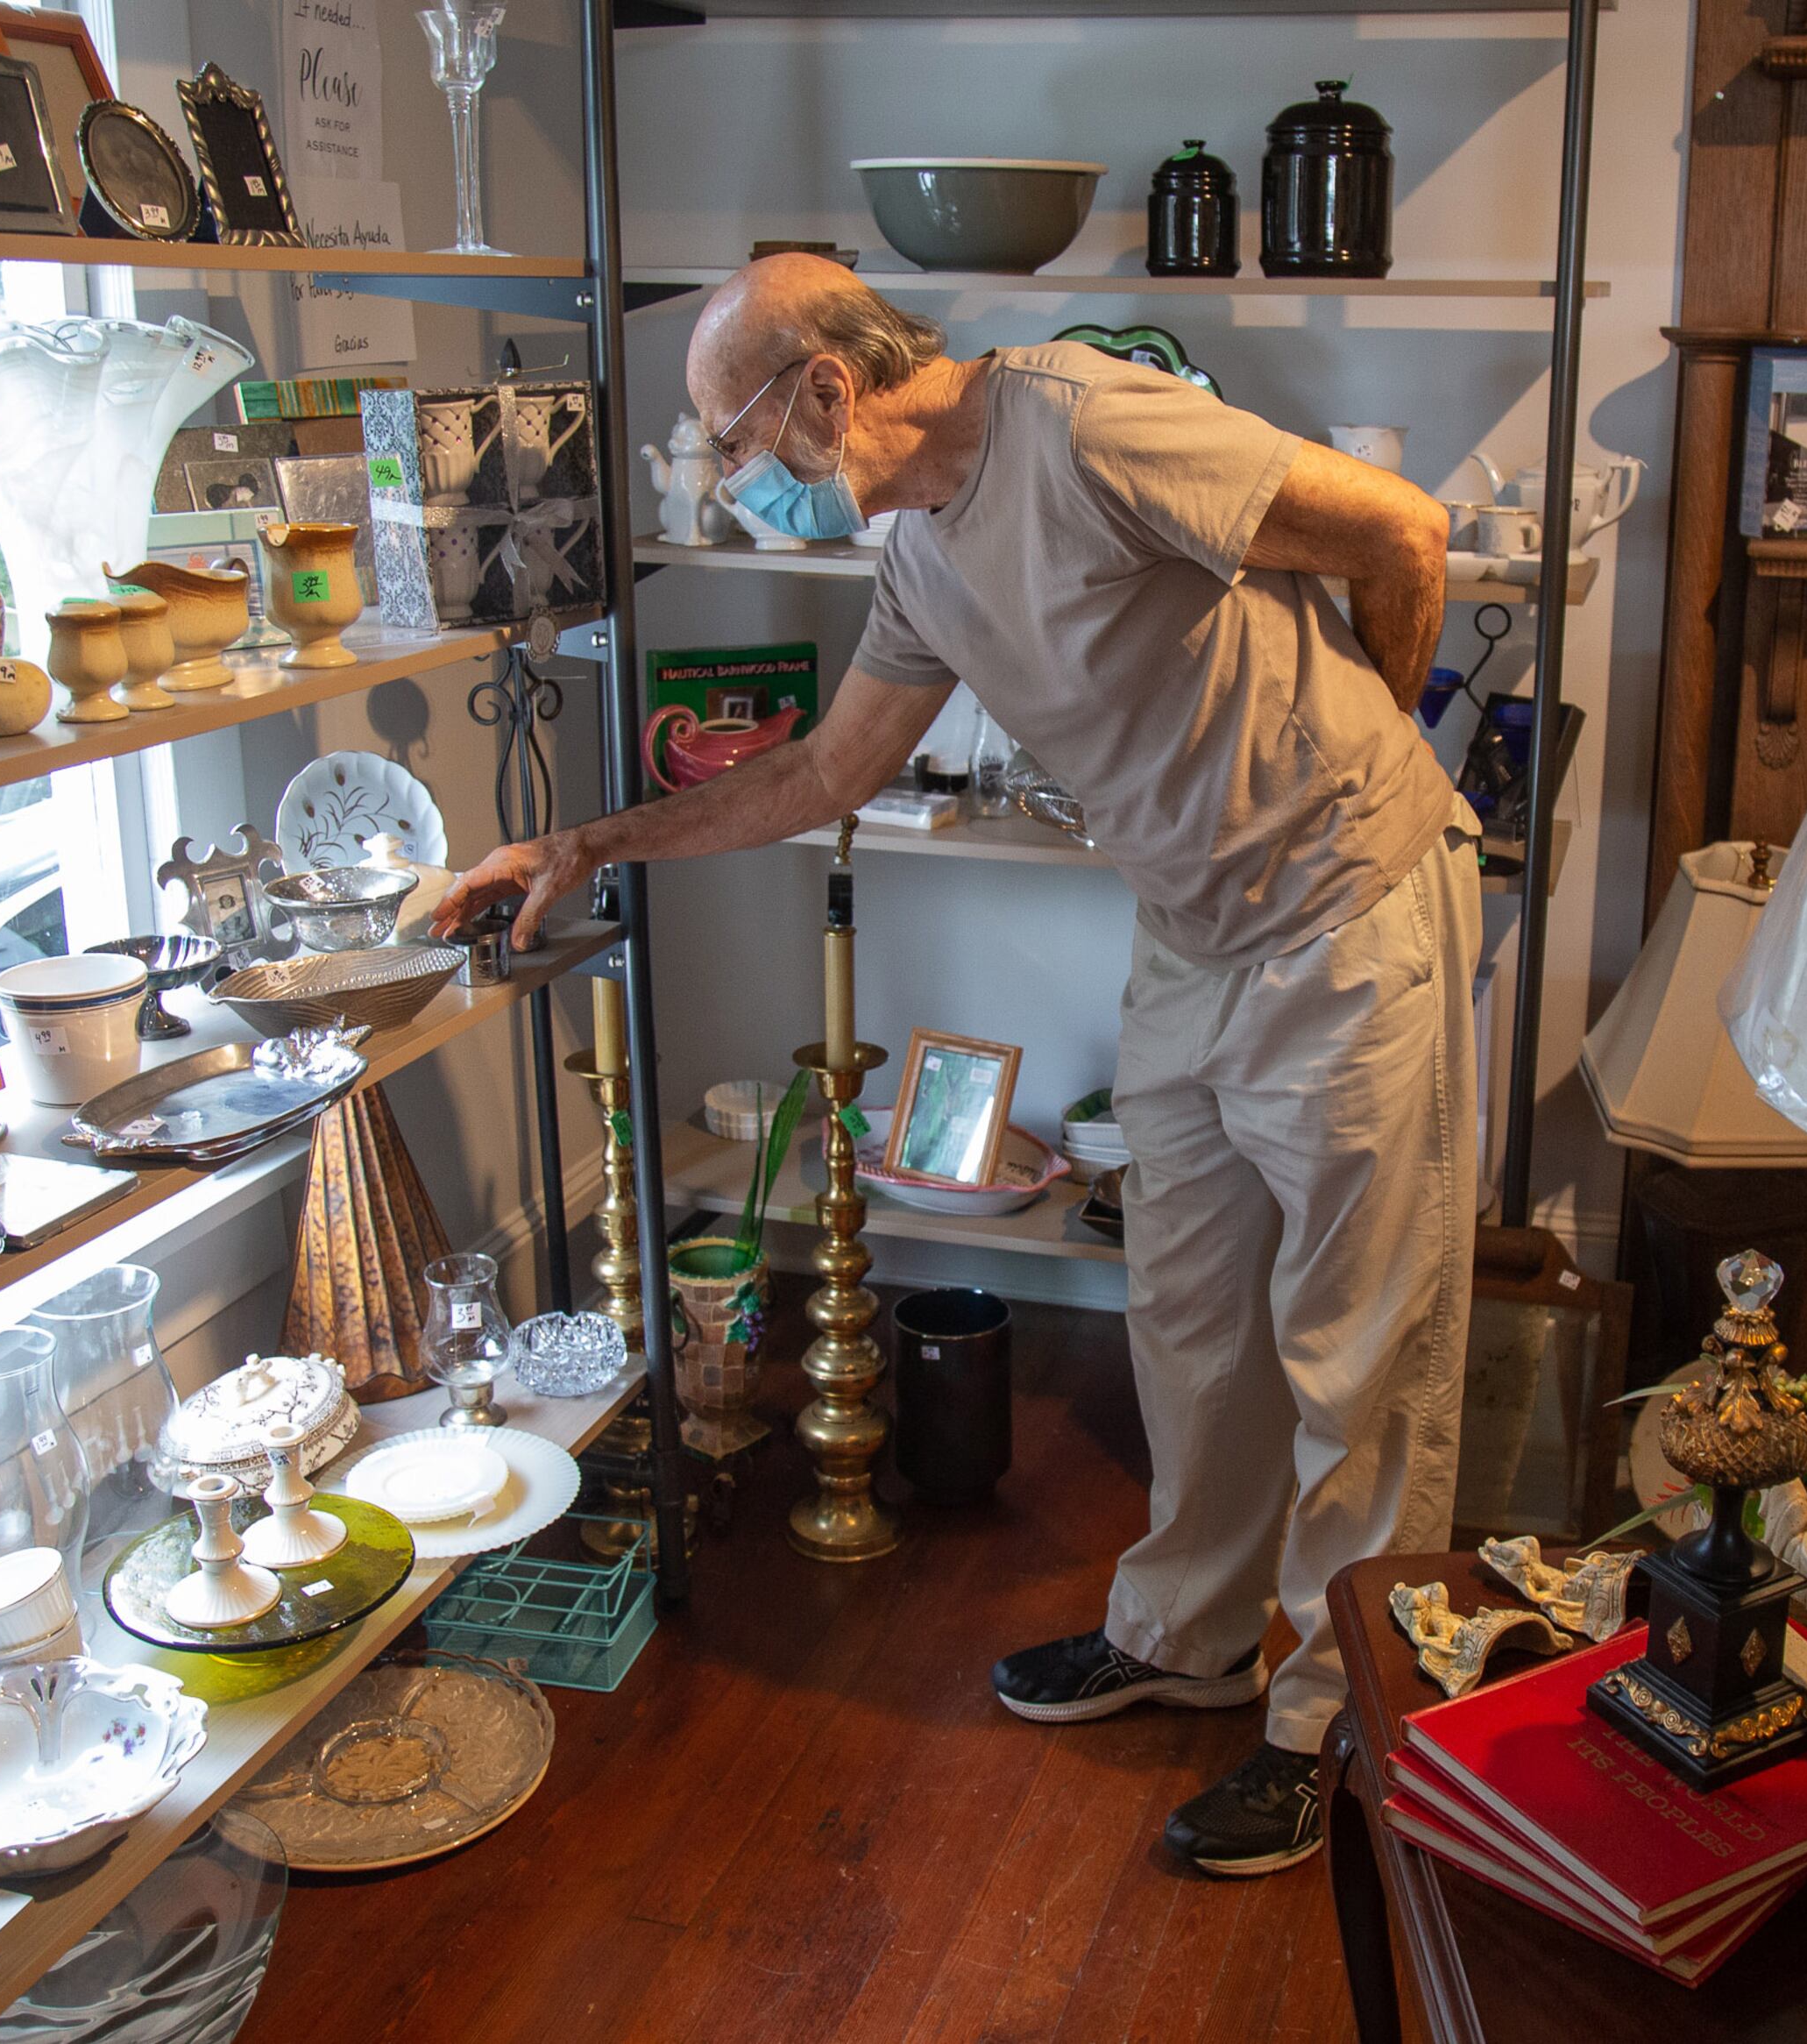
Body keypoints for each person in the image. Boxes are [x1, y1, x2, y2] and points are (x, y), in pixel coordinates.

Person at [434, 254, 1477, 1878]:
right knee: (1191, 1317)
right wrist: (581, 843)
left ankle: (1347, 1728)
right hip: (1196, 938)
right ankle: (1185, 1639)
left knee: (1362, 1349)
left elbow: (1401, 536)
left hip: (1347, 912)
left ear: (828, 387)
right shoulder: (920, 546)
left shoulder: (1084, 423)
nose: (735, 478)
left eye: (735, 437)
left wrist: (1370, 758)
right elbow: (826, 772)